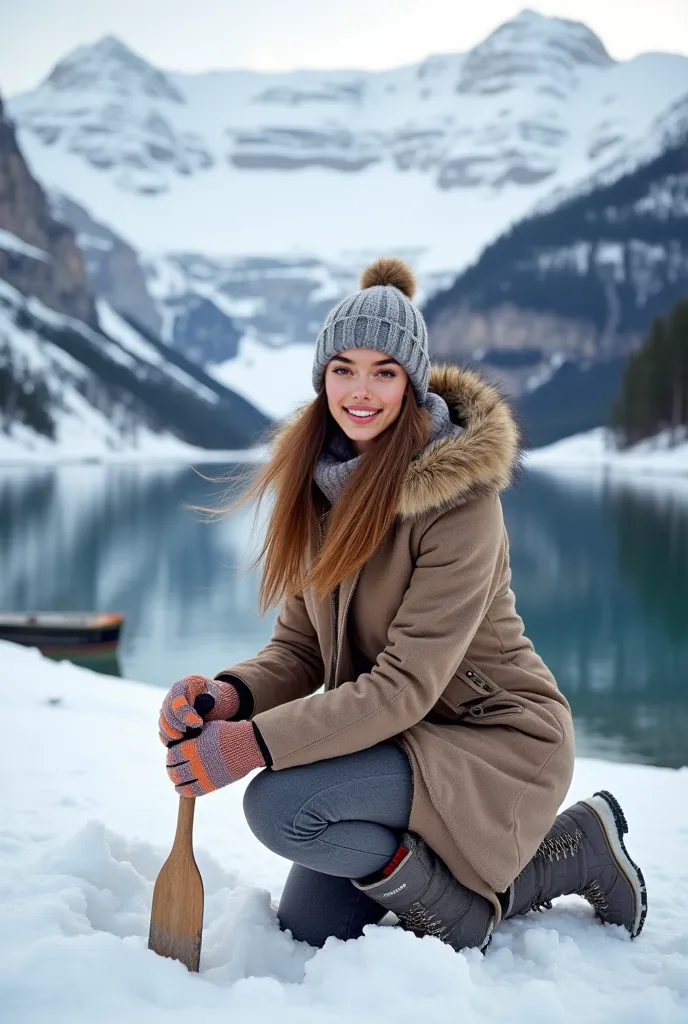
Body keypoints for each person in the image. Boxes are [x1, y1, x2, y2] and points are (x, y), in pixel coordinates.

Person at [158, 257, 647, 953]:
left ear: (412, 385)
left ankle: (484, 905)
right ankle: (565, 848)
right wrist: (229, 696)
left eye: (384, 372)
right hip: (395, 743)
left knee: (279, 805)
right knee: (312, 928)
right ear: (322, 377)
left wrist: (254, 744)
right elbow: (297, 652)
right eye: (344, 369)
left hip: (495, 743)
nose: (361, 391)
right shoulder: (320, 487)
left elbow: (404, 685)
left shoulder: (460, 501)